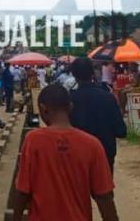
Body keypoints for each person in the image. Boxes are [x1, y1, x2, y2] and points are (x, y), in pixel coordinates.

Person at [13, 83, 118, 221]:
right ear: (70, 107)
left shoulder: (33, 140)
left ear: (43, 109)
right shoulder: (92, 144)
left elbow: (23, 191)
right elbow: (104, 196)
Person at [69, 57, 127, 173]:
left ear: (74, 75)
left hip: (78, 155)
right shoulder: (108, 97)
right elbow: (121, 131)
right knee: (105, 188)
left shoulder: (69, 101)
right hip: (105, 153)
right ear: (92, 73)